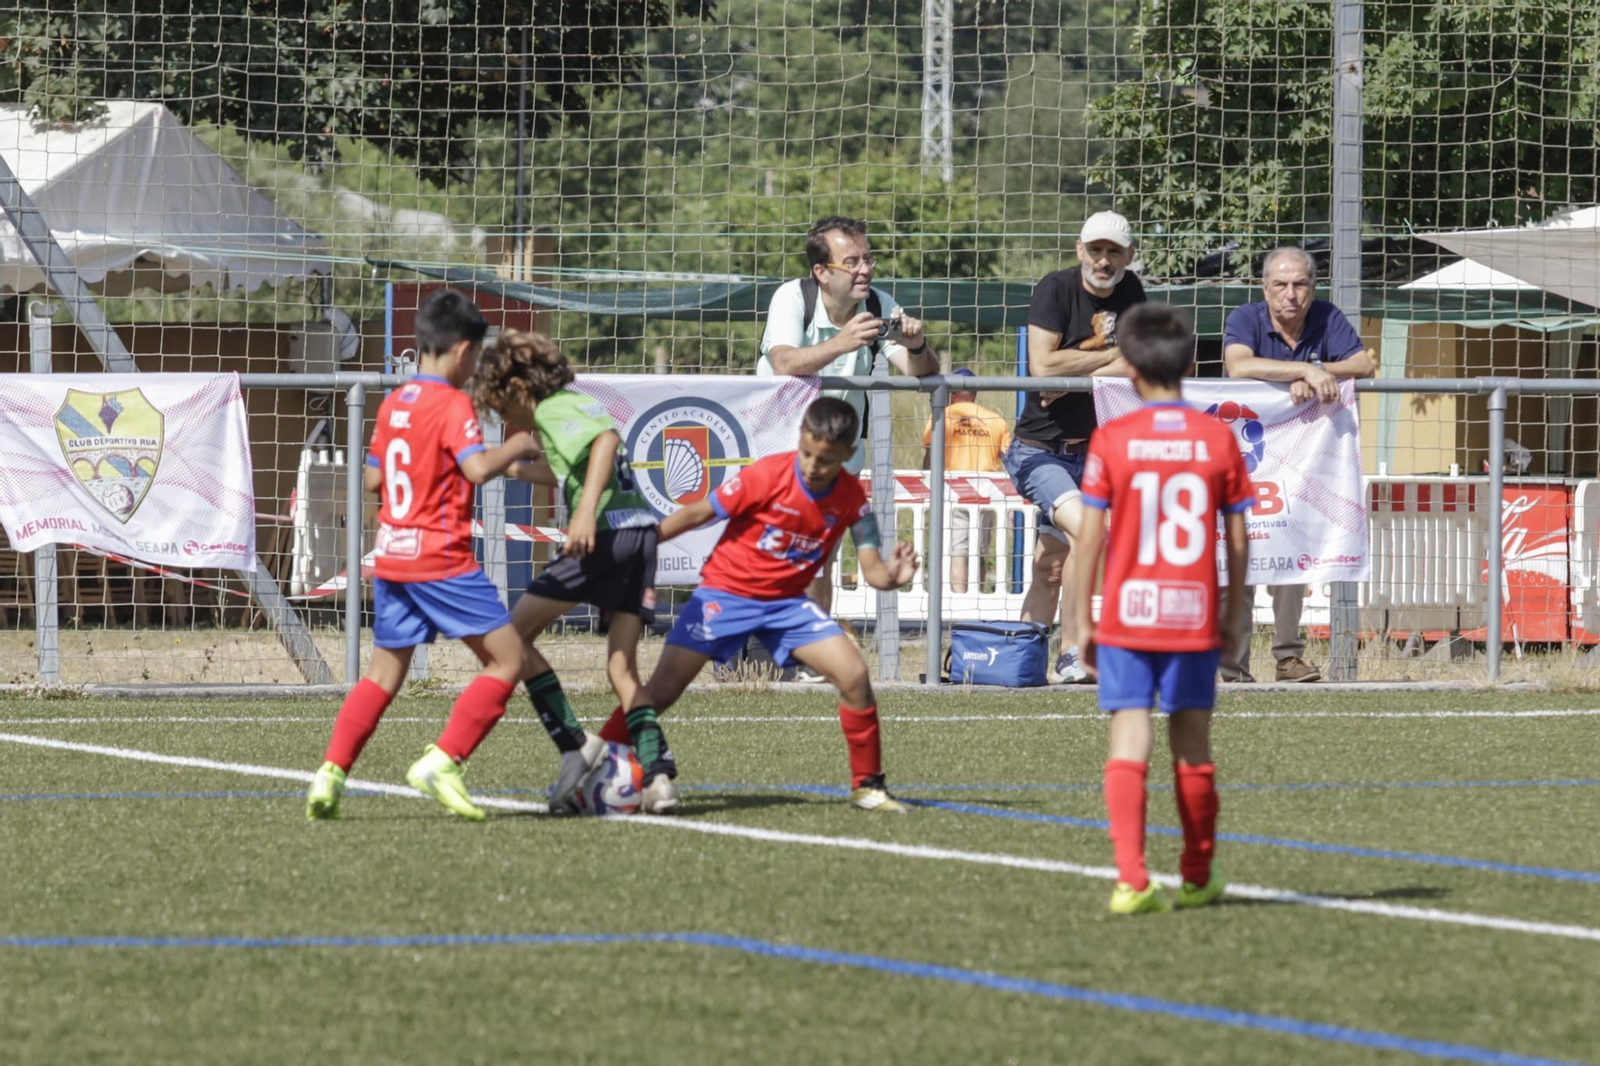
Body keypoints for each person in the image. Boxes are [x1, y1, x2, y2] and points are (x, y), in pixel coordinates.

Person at [591, 397, 922, 812]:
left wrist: (894, 577)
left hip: (787, 605)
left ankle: (867, 787)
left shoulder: (853, 499)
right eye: (807, 453)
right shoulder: (767, 475)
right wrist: (639, 545)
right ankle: (592, 761)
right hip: (725, 594)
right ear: (800, 438)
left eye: (826, 460)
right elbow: (697, 514)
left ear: (849, 456)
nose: (812, 466)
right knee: (661, 691)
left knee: (854, 675)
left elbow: (873, 570)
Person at [305, 289, 539, 822]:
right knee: (509, 659)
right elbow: (478, 470)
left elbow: (371, 480)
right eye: (477, 356)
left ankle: (330, 772)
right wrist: (518, 446)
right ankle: (444, 760)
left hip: (392, 557)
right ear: (462, 352)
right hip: (441, 558)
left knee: (382, 677)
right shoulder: (453, 404)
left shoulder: (395, 402)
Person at [1073, 302, 1251, 914]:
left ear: (1128, 367)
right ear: (1190, 362)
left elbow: (1091, 537)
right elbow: (1237, 539)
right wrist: (1233, 617)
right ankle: (1199, 874)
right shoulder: (1217, 437)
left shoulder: (1113, 437)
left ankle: (1132, 880)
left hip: (1128, 613)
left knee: (1129, 739)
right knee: (1193, 747)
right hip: (1192, 612)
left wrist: (1080, 621)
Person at [469, 329, 680, 815]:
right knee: (621, 668)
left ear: (518, 389)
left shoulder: (550, 411)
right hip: (639, 534)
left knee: (506, 637)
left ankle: (574, 741)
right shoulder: (577, 402)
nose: (504, 420)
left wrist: (583, 514)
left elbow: (605, 444)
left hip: (604, 537)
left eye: (501, 409)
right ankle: (659, 776)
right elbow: (574, 468)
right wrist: (510, 468)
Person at [758, 215, 939, 645]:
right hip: (780, 445)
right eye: (852, 261)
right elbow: (783, 362)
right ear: (821, 272)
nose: (865, 270)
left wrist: (917, 346)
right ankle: (764, 644)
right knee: (783, 552)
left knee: (820, 555)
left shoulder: (877, 302)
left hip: (841, 453)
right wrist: (842, 342)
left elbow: (920, 374)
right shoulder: (792, 298)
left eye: (868, 259)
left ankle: (807, 653)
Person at [1220, 246, 1377, 684]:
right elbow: (1238, 367)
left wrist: (1314, 367)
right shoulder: (1245, 318)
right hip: (1245, 462)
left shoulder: (1327, 316)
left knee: (1290, 553)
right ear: (1264, 289)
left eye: (1300, 284)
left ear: (1313, 286)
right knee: (1241, 554)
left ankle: (1289, 657)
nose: (1291, 294)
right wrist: (1303, 373)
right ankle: (1232, 665)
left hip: (1303, 463)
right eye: (1281, 285)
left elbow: (1364, 362)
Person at [1007, 210, 1142, 682]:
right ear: (1080, 249)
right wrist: (1110, 356)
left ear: (1130, 256)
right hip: (1038, 450)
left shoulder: (1133, 293)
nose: (1103, 261)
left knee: (1050, 566)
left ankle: (1020, 661)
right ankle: (1073, 652)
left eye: (1114, 251)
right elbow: (1042, 367)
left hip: (1093, 453)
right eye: (1096, 249)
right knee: (1091, 531)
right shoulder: (1055, 287)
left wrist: (1077, 378)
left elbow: (1141, 358)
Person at [921, 368, 1011, 593]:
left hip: (953, 493)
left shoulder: (941, 416)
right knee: (979, 551)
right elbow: (1009, 460)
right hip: (987, 496)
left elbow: (930, 457)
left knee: (958, 551)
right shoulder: (995, 420)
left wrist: (926, 489)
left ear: (951, 393)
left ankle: (960, 601)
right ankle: (978, 597)